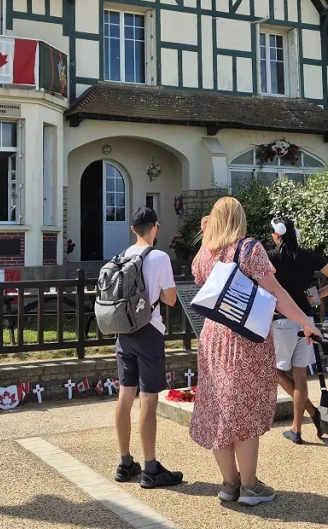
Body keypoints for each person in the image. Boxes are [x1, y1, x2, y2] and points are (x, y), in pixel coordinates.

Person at [190, 197, 321, 506]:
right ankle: (250, 486)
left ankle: (229, 483)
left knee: (218, 408)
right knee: (245, 409)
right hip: (246, 336)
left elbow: (199, 276)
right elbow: (275, 292)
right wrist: (304, 320)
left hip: (213, 337)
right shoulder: (249, 248)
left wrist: (206, 233)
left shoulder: (205, 253)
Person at [113, 205, 183, 489]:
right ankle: (151, 467)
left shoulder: (121, 256)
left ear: (132, 229)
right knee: (149, 399)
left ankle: (125, 462)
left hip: (123, 333)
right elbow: (170, 300)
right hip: (149, 332)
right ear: (155, 226)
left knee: (125, 394)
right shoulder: (160, 257)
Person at [268, 216, 328, 444]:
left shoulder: (271, 257)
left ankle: (311, 413)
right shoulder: (307, 256)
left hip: (282, 320)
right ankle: (297, 426)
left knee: (276, 371)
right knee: (301, 375)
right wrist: (317, 295)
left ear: (277, 234)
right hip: (307, 321)